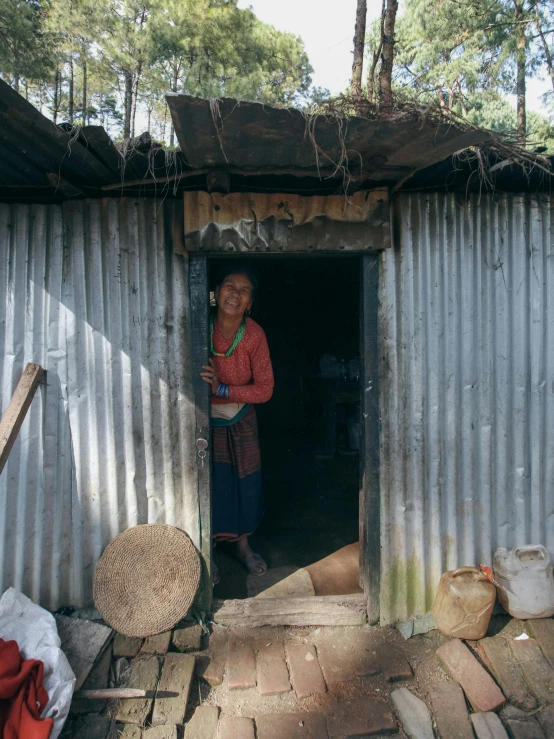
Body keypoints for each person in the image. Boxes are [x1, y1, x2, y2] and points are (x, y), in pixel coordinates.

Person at [200, 267, 274, 584]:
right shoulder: (199, 327)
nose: (235, 293)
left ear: (250, 303)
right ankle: (209, 552)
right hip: (203, 419)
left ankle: (243, 546)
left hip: (240, 419)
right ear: (216, 293)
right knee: (212, 485)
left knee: (243, 485)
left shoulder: (254, 335)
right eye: (229, 285)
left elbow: (265, 389)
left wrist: (223, 389)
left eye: (244, 290)